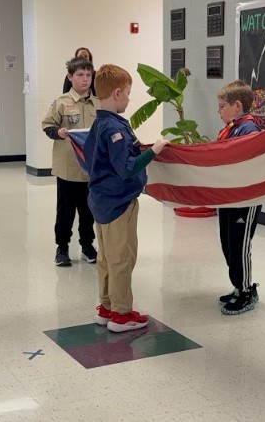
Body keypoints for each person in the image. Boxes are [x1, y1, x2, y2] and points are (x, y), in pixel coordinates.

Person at [83, 64, 169, 333]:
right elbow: (128, 167)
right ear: (118, 93)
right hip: (119, 202)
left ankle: (106, 306)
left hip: (99, 200)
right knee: (122, 257)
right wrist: (154, 150)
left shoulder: (98, 125)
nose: (130, 99)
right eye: (129, 93)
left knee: (106, 257)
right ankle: (121, 314)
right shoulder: (114, 129)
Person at [42, 56, 98, 266]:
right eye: (80, 75)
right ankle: (62, 248)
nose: (85, 79)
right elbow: (47, 126)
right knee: (65, 212)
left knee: (88, 211)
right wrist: (59, 132)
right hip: (68, 168)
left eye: (88, 75)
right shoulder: (62, 103)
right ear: (70, 77)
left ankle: (87, 245)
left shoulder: (98, 103)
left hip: (90, 169)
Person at [215, 80, 263, 315]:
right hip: (228, 196)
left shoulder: (248, 130)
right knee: (227, 243)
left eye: (221, 105)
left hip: (245, 199)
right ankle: (237, 285)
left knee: (240, 245)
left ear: (237, 105)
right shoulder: (231, 128)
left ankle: (246, 291)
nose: (218, 110)